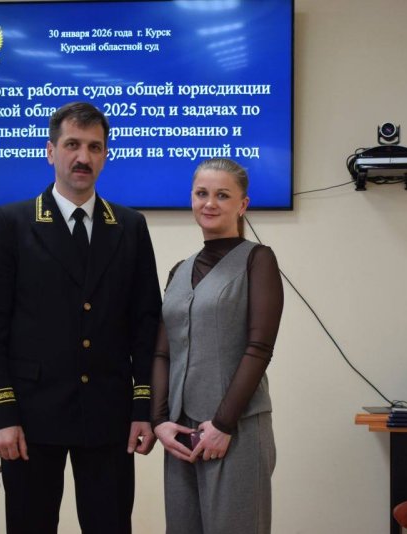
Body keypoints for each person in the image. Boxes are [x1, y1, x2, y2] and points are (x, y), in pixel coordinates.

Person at [0, 101, 162, 533]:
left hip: (109, 414)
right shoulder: (12, 223)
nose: (83, 157)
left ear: (106, 155)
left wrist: (143, 407)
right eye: (72, 144)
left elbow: (145, 324)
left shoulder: (130, 226)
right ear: (50, 151)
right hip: (30, 417)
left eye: (94, 147)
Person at [151, 157, 284, 534]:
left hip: (236, 428)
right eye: (201, 194)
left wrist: (223, 424)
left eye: (222, 195)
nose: (209, 203)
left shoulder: (258, 260)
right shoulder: (179, 270)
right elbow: (162, 352)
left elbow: (259, 348)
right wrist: (160, 422)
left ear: (243, 204)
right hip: (181, 432)